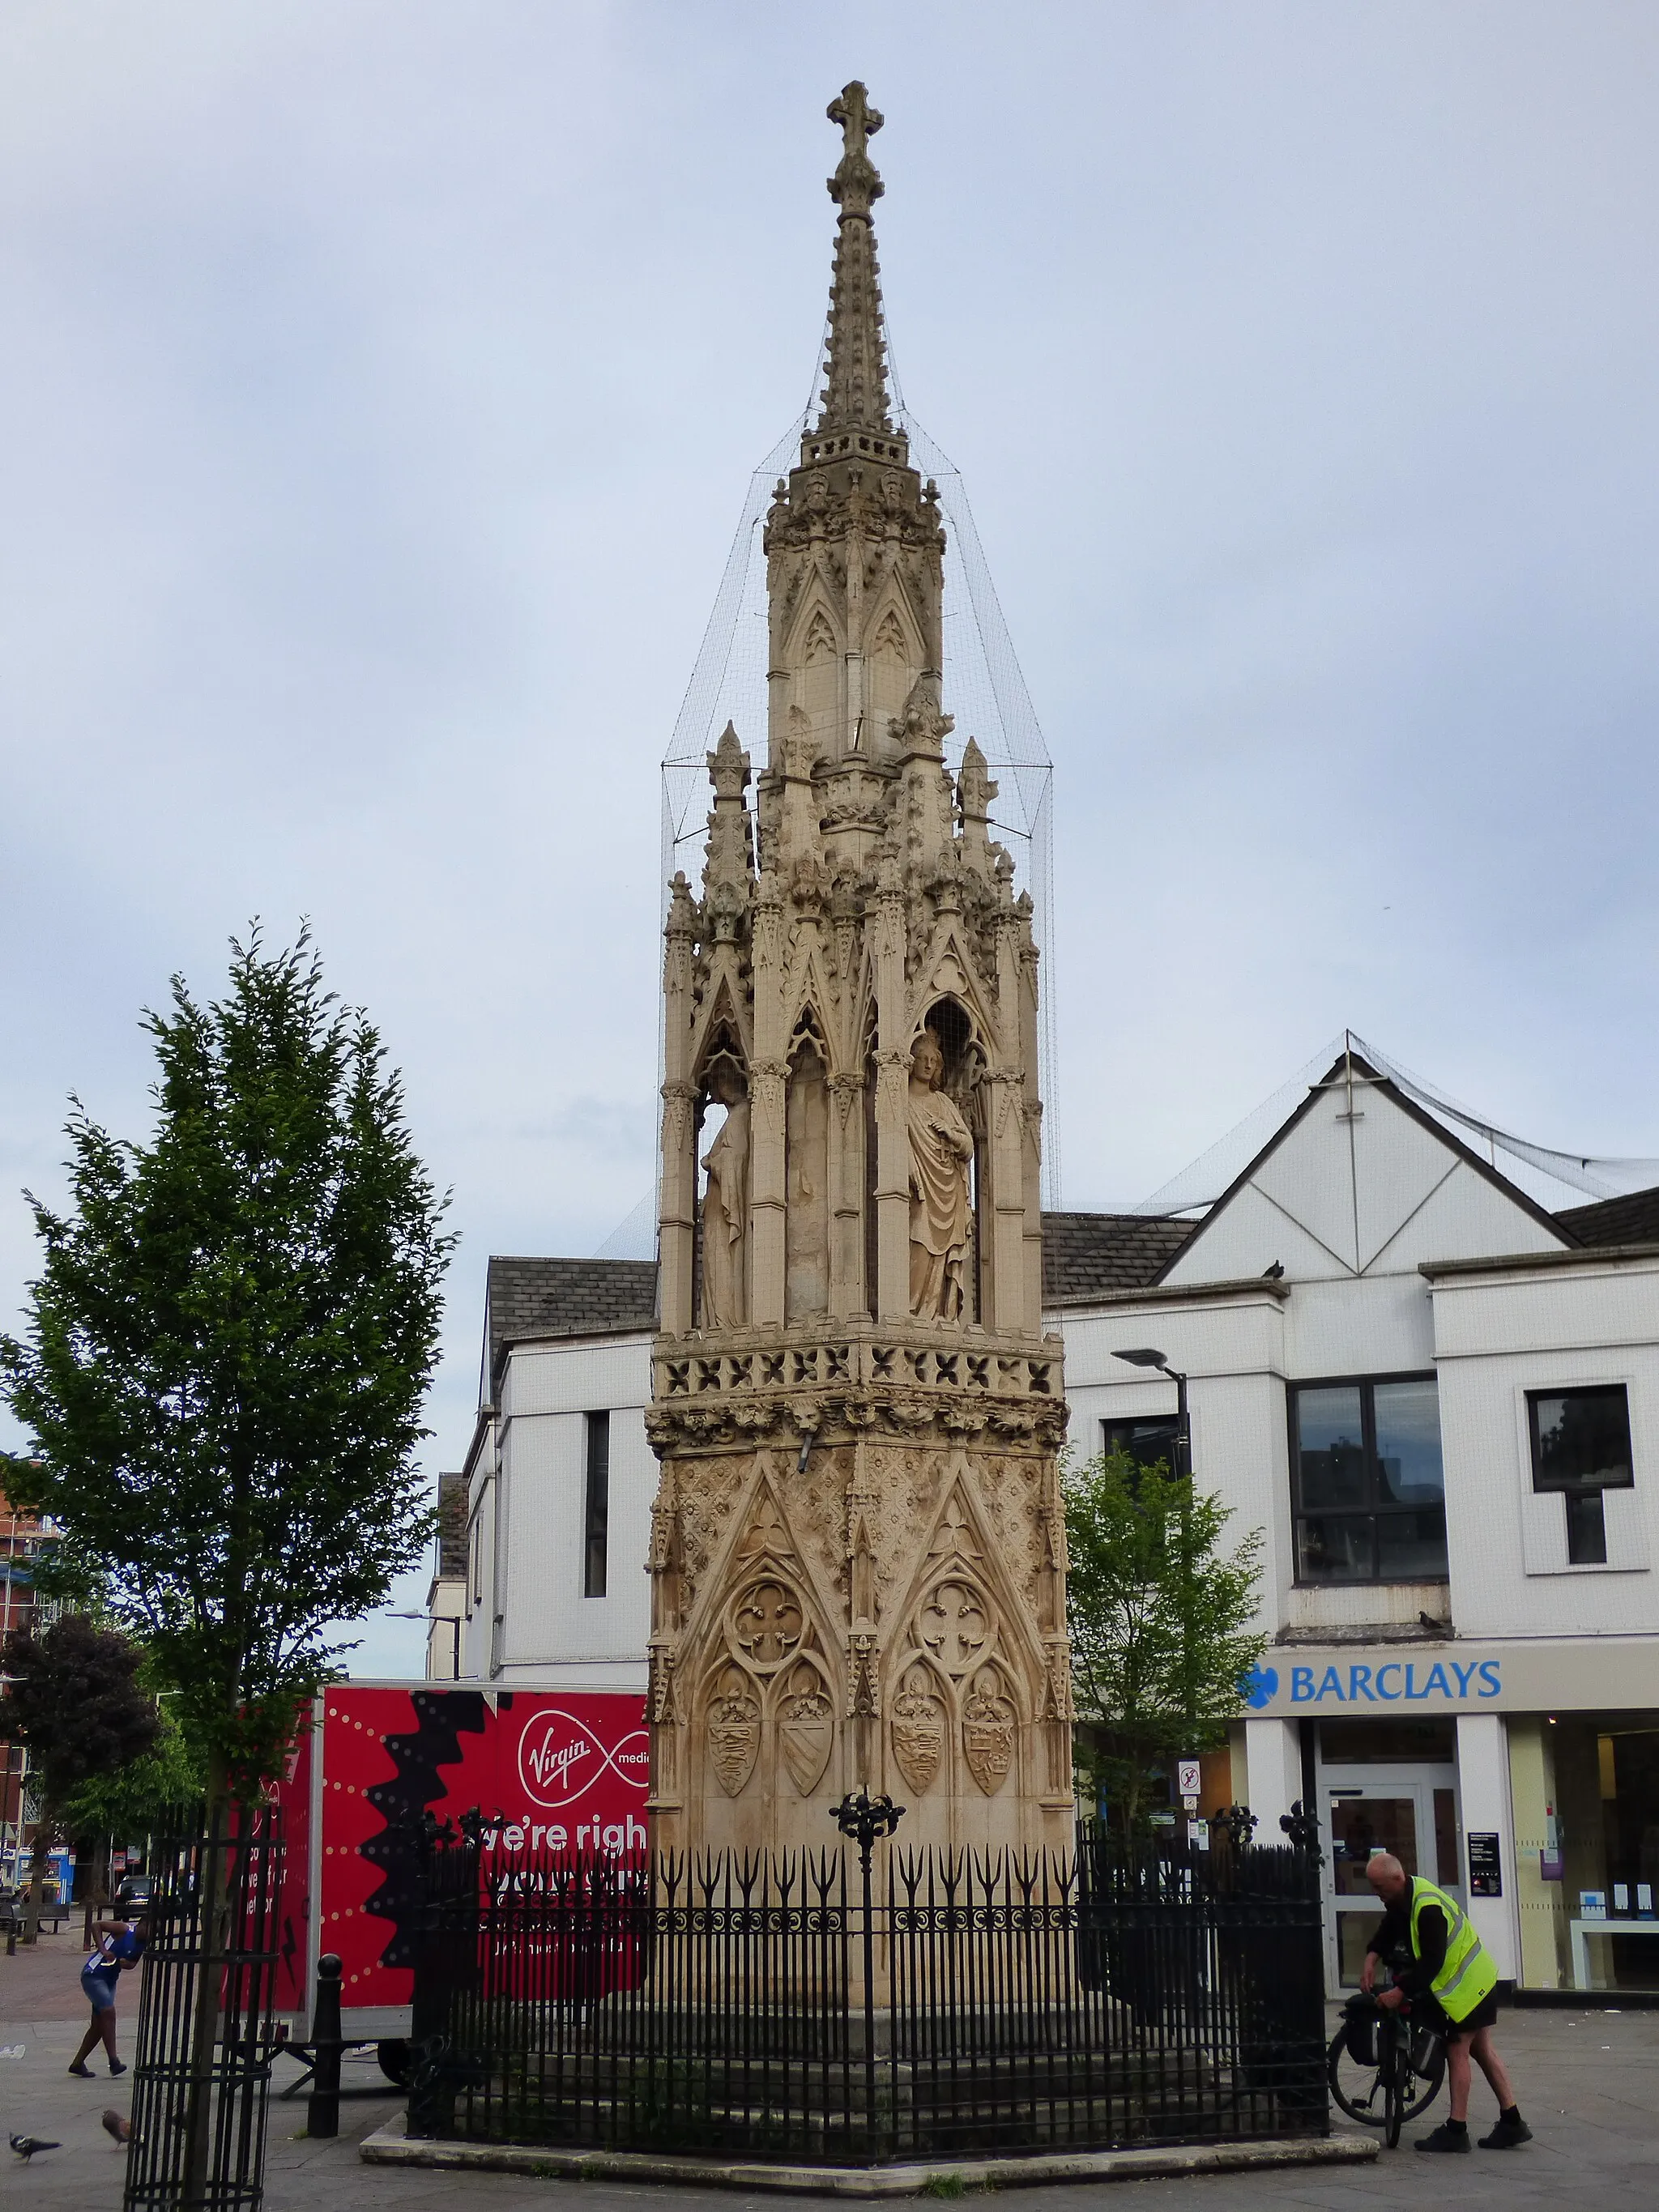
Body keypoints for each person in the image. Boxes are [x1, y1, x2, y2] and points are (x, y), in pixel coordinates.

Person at [1361, 1853, 1530, 2151]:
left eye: (1380, 1887)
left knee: (1458, 2050)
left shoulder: (1427, 1908)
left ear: (1397, 1879)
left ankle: (1456, 2129)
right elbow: (1390, 1927)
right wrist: (1371, 1957)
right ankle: (1512, 2121)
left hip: (1467, 1986)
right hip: (1478, 1980)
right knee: (1482, 2050)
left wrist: (1400, 1992)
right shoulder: (1404, 1896)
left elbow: (1432, 1963)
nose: (1377, 1894)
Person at [69, 1912, 148, 2078]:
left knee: (99, 2025)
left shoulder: (142, 1944)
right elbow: (96, 1925)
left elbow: (133, 1963)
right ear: (143, 1924)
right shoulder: (124, 1929)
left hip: (110, 1980)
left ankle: (77, 2063)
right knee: (108, 2012)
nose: (150, 1934)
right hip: (94, 1974)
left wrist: (125, 1963)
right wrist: (103, 1949)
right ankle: (114, 2061)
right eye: (150, 1928)